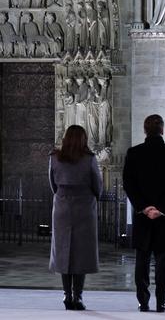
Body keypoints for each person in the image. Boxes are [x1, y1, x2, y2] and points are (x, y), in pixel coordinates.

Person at [123, 115, 165, 313]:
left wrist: (143, 207)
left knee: (142, 260)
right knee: (162, 262)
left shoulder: (134, 153)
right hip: (163, 216)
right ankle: (162, 301)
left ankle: (143, 301)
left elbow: (128, 184)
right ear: (162, 130)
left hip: (142, 215)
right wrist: (161, 208)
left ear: (145, 130)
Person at [49, 125, 103, 311]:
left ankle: (66, 294)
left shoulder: (55, 157)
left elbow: (53, 184)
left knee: (64, 251)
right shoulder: (89, 159)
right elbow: (97, 184)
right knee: (81, 252)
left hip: (62, 207)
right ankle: (77, 295)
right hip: (84, 207)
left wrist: (62, 196)